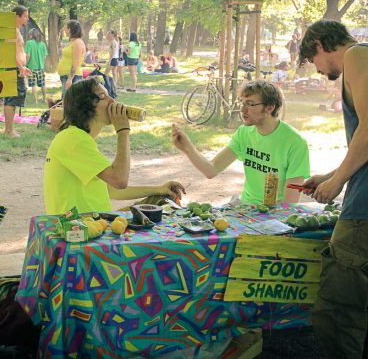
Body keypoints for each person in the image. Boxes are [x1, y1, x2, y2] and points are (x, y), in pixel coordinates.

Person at [298, 20, 368, 359]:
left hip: (363, 211)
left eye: (313, 59)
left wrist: (338, 182)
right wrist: (331, 173)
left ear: (321, 44)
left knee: (337, 311)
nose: (317, 68)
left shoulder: (357, 55)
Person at [44, 77, 185, 214]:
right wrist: (123, 131)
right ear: (86, 105)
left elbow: (112, 190)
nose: (112, 101)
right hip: (81, 229)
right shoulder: (74, 139)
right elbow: (119, 180)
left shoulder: (77, 137)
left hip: (95, 223)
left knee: (162, 199)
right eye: (103, 96)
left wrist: (159, 189)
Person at [172, 80, 310, 205]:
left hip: (275, 213)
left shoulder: (295, 142)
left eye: (250, 104)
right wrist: (188, 148)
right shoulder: (244, 133)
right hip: (244, 206)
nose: (243, 109)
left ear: (269, 108)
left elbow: (289, 203)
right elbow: (211, 169)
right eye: (242, 103)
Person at [3, 5, 32, 138]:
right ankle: (8, 130)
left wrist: (23, 65)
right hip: (13, 69)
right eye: (25, 15)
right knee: (11, 99)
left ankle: (10, 129)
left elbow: (18, 51)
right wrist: (20, 67)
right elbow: (10, 52)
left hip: (18, 68)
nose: (27, 18)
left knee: (15, 99)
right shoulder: (12, 31)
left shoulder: (17, 31)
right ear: (17, 16)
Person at [57, 20, 86, 98]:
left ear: (69, 29)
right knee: (66, 102)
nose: (64, 29)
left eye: (65, 28)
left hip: (72, 77)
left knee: (70, 104)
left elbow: (75, 63)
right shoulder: (72, 42)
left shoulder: (78, 43)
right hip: (65, 76)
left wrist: (70, 79)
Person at [25, 28, 48, 104]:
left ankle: (36, 101)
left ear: (32, 35)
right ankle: (44, 99)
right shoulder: (43, 44)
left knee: (33, 84)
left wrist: (25, 64)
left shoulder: (29, 43)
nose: (29, 36)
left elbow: (28, 55)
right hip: (41, 67)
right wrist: (42, 65)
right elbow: (45, 57)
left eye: (29, 34)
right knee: (43, 83)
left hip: (31, 67)